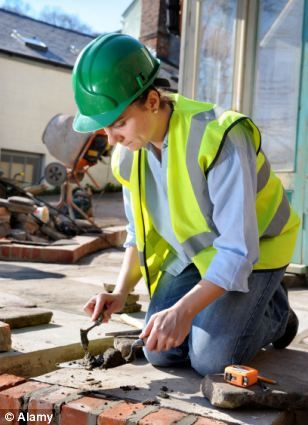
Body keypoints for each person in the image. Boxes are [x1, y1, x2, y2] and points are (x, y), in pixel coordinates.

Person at [72, 33, 300, 376]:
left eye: (119, 123)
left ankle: (276, 314)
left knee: (211, 359)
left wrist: (184, 311)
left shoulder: (219, 136)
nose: (112, 139)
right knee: (159, 350)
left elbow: (238, 251)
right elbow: (138, 234)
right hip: (198, 258)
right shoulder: (127, 157)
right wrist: (119, 293)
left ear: (151, 101)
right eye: (105, 128)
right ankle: (233, 311)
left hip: (256, 253)